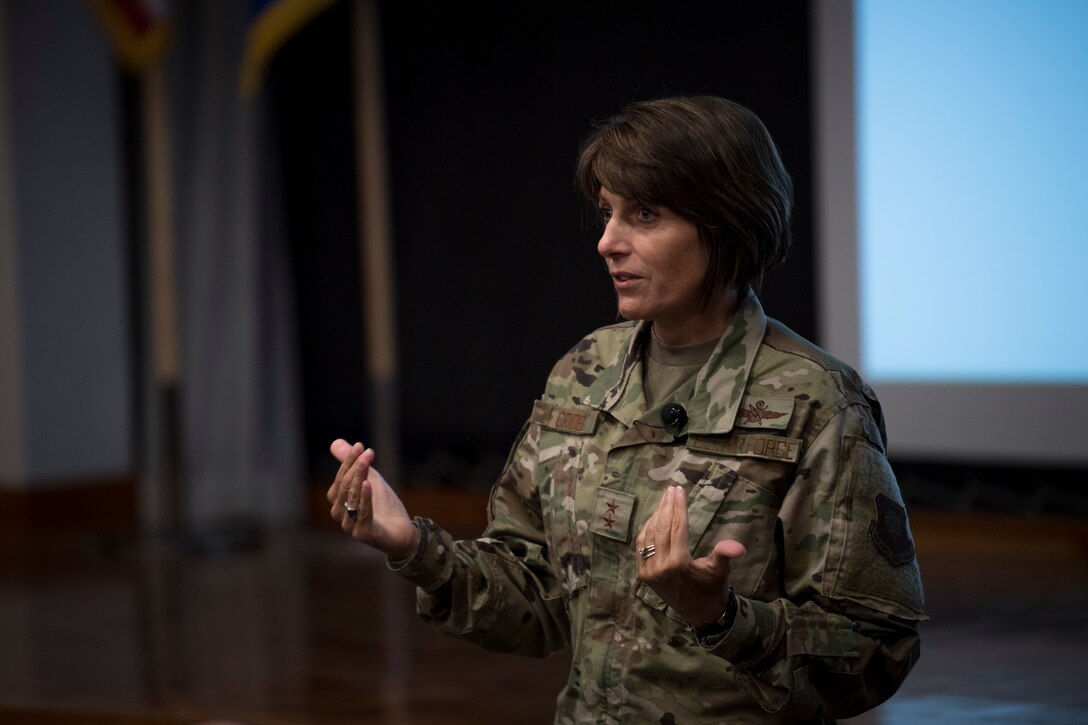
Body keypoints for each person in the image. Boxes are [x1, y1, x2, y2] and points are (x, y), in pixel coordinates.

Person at [327, 95, 926, 724]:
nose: (608, 242)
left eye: (645, 214)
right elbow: (538, 601)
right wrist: (411, 546)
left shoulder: (817, 401)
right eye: (608, 213)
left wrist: (720, 617)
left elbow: (877, 651)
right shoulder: (583, 373)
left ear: (728, 222)